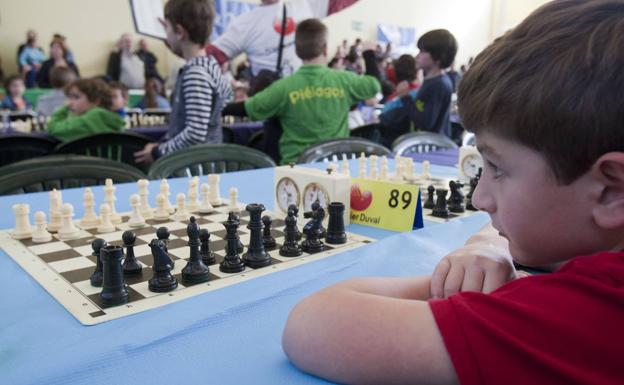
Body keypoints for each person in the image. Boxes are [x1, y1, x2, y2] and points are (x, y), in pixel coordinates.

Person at [282, 1, 624, 384]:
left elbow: (314, 324)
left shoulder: (586, 313)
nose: (480, 198)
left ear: (612, 191)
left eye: (498, 168)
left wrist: (447, 283)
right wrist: (487, 243)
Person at [222, 19, 380, 164]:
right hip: (336, 169)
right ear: (325, 49)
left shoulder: (284, 88)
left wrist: (219, 108)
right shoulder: (345, 81)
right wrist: (369, 53)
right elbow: (374, 84)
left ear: (297, 51)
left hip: (296, 174)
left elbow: (248, 108)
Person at [134, 0, 232, 164]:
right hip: (204, 162)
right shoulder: (211, 65)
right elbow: (225, 99)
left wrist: (158, 152)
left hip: (195, 168)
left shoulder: (195, 74)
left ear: (179, 32)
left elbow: (195, 133)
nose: (165, 34)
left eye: (166, 28)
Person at [205, 0, 359, 78]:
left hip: (276, 101)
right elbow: (209, 57)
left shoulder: (303, 4)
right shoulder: (244, 24)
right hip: (280, 105)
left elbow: (206, 57)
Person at [47, 78, 124, 142]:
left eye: (76, 97)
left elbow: (54, 129)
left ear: (95, 101)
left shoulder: (90, 119)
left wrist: (64, 109)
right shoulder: (112, 119)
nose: (69, 103)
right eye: (69, 97)